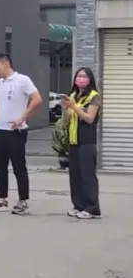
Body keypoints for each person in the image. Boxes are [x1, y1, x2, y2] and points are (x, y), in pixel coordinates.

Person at [0, 54, 43, 215]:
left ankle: (23, 201)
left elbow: (37, 99)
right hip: (0, 130)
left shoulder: (22, 80)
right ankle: (2, 199)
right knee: (0, 167)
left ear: (6, 64)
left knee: (18, 167)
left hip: (15, 131)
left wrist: (23, 116)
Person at [62, 67, 102, 220]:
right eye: (78, 76)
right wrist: (65, 108)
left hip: (87, 141)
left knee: (87, 175)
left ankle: (93, 208)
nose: (81, 79)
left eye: (84, 76)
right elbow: (67, 120)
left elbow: (89, 118)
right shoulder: (73, 95)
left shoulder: (94, 96)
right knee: (75, 175)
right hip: (74, 140)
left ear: (90, 79)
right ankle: (78, 205)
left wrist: (74, 106)